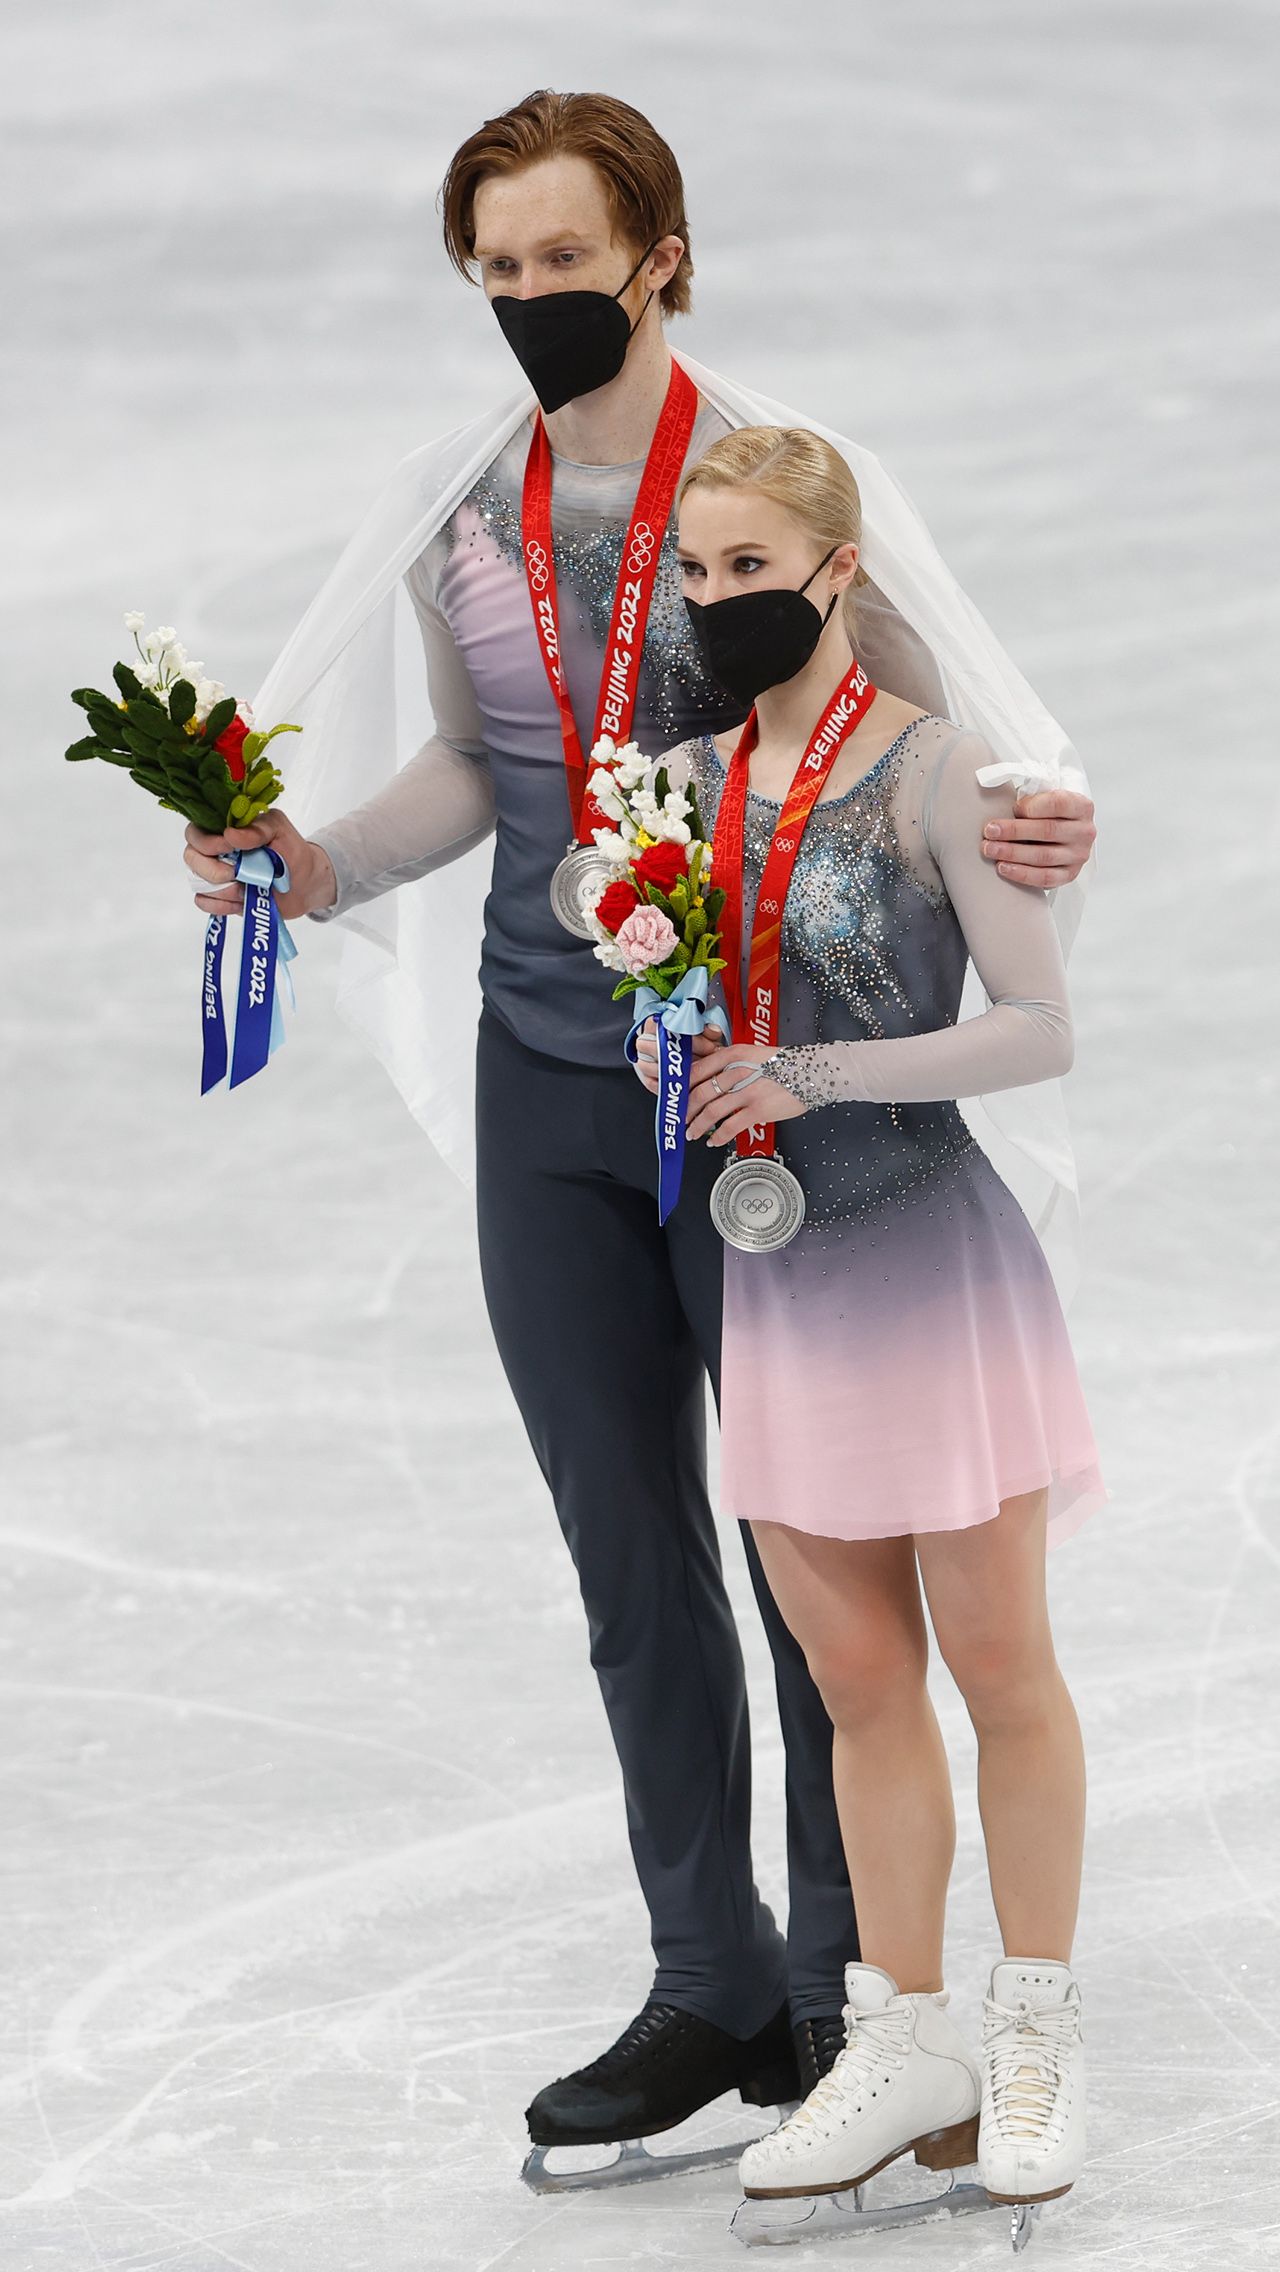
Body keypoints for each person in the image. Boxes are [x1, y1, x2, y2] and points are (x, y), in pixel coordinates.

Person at [182, 90, 1099, 2181]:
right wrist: (310, 868)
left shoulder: (761, 501)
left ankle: (853, 1989)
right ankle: (709, 1976)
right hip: (549, 1098)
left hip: (753, 1094)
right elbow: (476, 769)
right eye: (495, 269)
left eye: (562, 261)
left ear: (660, 254)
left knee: (820, 1568)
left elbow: (948, 752)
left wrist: (1047, 815)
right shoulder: (470, 515)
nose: (527, 299)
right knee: (628, 1555)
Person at [634, 422, 1101, 2232]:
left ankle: (1037, 2030)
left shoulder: (933, 769)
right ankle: (905, 2040)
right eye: (698, 572)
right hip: (779, 1283)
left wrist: (808, 1070)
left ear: (837, 571)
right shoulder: (665, 788)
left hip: (927, 1263)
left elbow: (1036, 1028)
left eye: (752, 568)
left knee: (997, 1665)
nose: (717, 600)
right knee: (852, 1681)